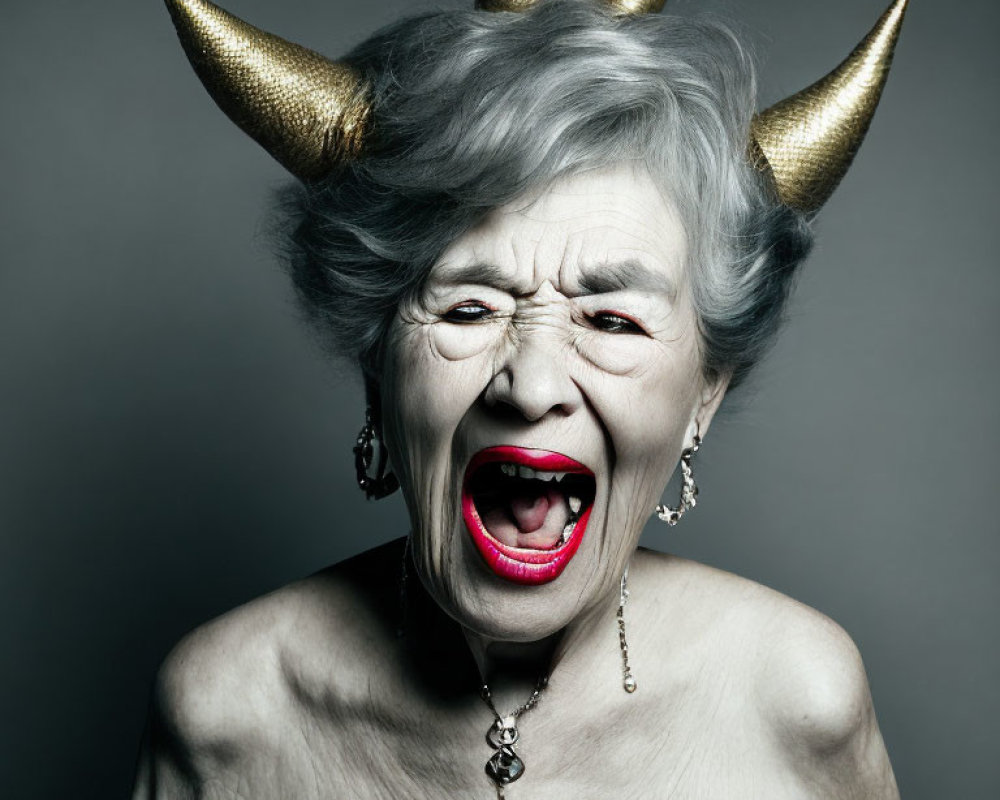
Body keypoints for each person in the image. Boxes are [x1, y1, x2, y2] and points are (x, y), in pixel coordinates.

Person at [134, 0, 907, 796]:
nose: (532, 388)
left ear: (702, 397)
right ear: (380, 368)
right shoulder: (226, 715)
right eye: (469, 308)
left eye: (611, 319)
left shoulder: (799, 704)